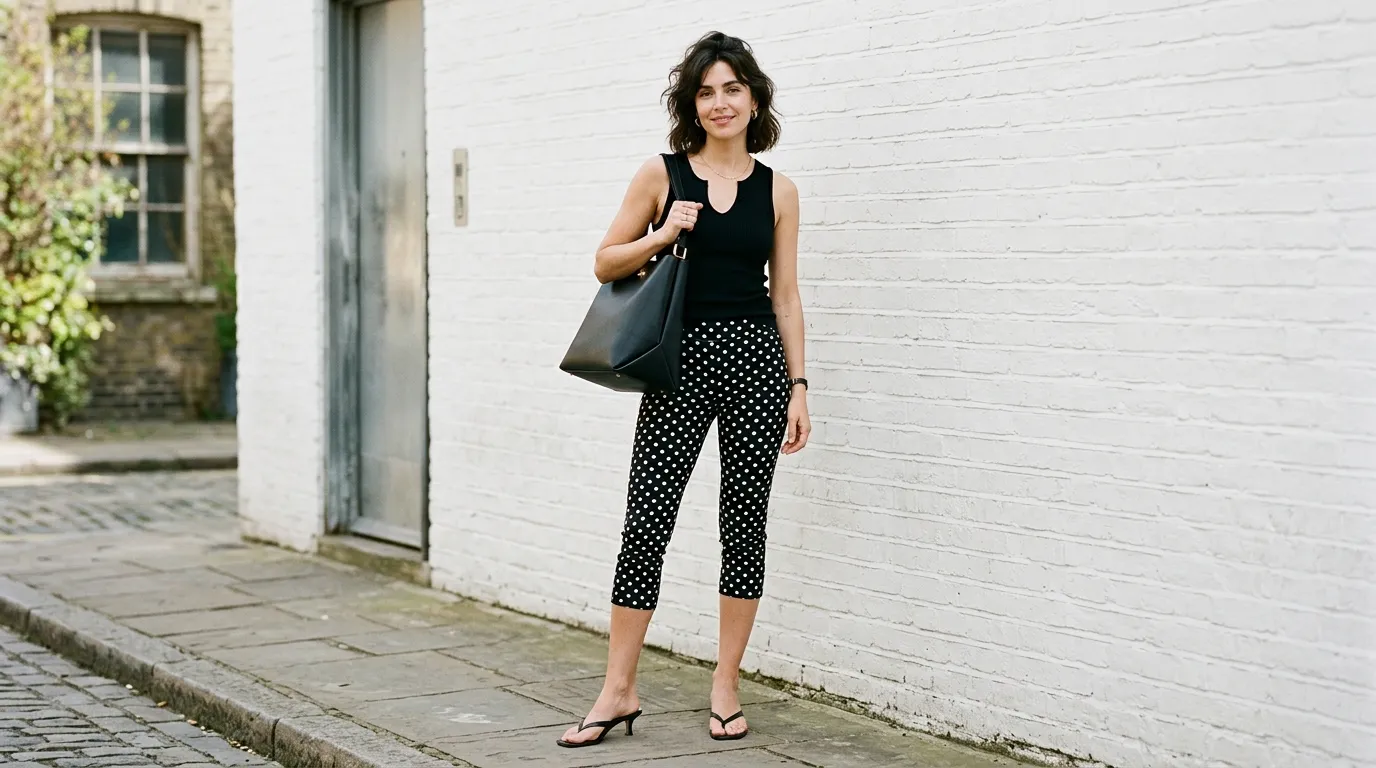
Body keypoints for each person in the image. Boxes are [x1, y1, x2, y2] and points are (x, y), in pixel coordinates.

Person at [557, 30, 810, 748]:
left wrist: (797, 384)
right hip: (682, 364)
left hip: (758, 365)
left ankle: (726, 684)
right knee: (647, 523)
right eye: (706, 90)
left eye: (733, 88)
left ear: (753, 97)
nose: (720, 102)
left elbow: (786, 296)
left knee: (743, 524)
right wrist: (664, 232)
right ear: (691, 103)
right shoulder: (662, 174)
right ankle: (618, 689)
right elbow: (606, 262)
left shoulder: (780, 190)